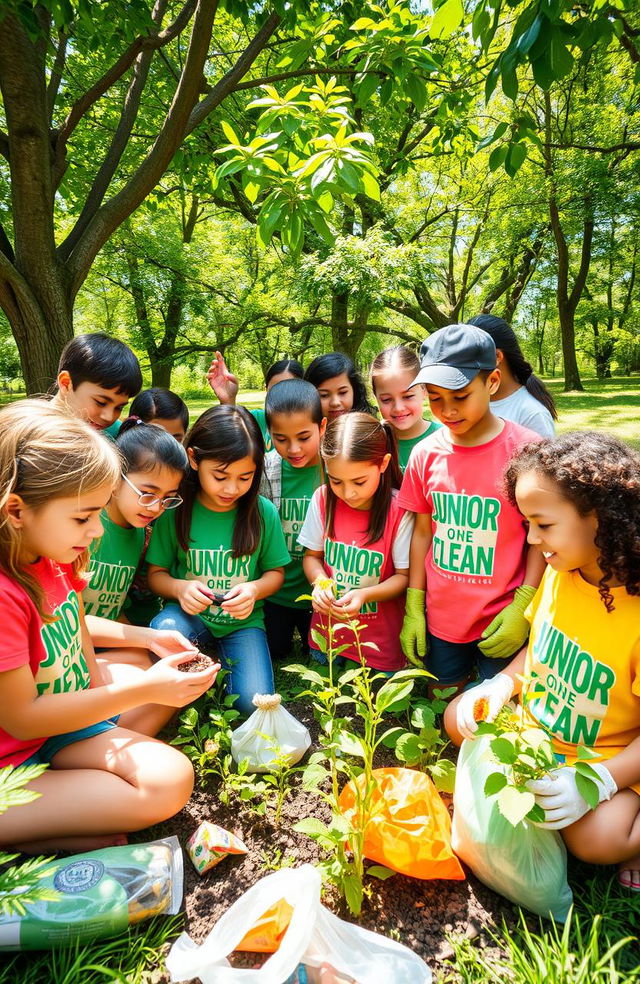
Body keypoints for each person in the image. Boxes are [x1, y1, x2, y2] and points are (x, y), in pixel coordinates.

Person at [0, 401, 218, 855]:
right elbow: (20, 719)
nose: (96, 531)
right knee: (165, 779)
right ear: (17, 510)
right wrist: (142, 692)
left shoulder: (51, 554)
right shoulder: (5, 592)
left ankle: (66, 807)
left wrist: (147, 638)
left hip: (60, 726)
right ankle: (44, 831)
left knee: (169, 763)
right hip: (12, 762)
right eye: (83, 517)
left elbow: (75, 619)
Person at [446, 432, 640, 892]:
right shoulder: (563, 571)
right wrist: (502, 687)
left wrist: (599, 780)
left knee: (597, 841)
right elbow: (540, 648)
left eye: (543, 524)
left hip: (610, 755)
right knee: (459, 717)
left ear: (599, 519)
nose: (532, 539)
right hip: (540, 733)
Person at [398, 323, 545, 691]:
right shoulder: (425, 453)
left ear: (492, 381)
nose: (447, 410)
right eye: (434, 398)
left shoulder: (527, 450)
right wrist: (414, 605)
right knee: (443, 701)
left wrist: (524, 604)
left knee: (494, 719)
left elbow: (540, 536)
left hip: (502, 617)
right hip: (442, 620)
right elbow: (421, 532)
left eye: (460, 396)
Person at [147, 405, 291, 715]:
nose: (231, 488)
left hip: (243, 624)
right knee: (164, 629)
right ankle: (198, 664)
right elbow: (156, 574)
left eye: (245, 477)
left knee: (252, 702)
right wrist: (179, 589)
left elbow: (275, 573)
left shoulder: (262, 512)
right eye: (220, 476)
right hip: (188, 618)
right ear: (194, 459)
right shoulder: (177, 509)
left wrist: (254, 590)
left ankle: (213, 665)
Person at [298, 413, 414, 673]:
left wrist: (365, 595)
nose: (348, 493)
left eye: (359, 482)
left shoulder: (398, 511)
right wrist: (321, 583)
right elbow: (311, 557)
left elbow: (404, 577)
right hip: (327, 637)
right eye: (336, 480)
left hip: (379, 643)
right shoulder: (323, 499)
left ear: (383, 464)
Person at [82, 418, 188, 623]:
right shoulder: (85, 525)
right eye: (147, 493)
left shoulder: (141, 535)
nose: (156, 507)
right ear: (115, 477)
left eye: (168, 498)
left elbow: (113, 611)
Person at [260, 379, 326, 661]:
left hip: (320, 593)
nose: (294, 449)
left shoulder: (334, 470)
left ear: (322, 427)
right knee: (276, 650)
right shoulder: (266, 470)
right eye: (281, 439)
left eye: (303, 437)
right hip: (277, 594)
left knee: (323, 656)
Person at [466, 314, 556, 437]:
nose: (461, 364)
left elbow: (546, 456)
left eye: (468, 356)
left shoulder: (532, 414)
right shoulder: (466, 403)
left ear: (497, 356)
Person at [206, 352, 304, 452]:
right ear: (266, 390)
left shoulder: (310, 427)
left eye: (289, 390)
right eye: (275, 389)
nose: (281, 396)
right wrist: (228, 401)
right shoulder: (254, 420)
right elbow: (228, 438)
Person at [52, 332, 142, 436]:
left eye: (119, 408)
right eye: (101, 402)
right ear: (66, 383)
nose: (109, 417)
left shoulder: (117, 433)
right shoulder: (31, 431)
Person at [370, 345, 441, 472]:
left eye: (408, 396)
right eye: (386, 399)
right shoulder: (370, 442)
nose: (398, 408)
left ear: (424, 389)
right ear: (375, 397)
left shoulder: (446, 439)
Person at [304, 352, 375, 421]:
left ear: (354, 390)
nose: (335, 403)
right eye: (324, 395)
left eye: (342, 392)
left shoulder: (371, 430)